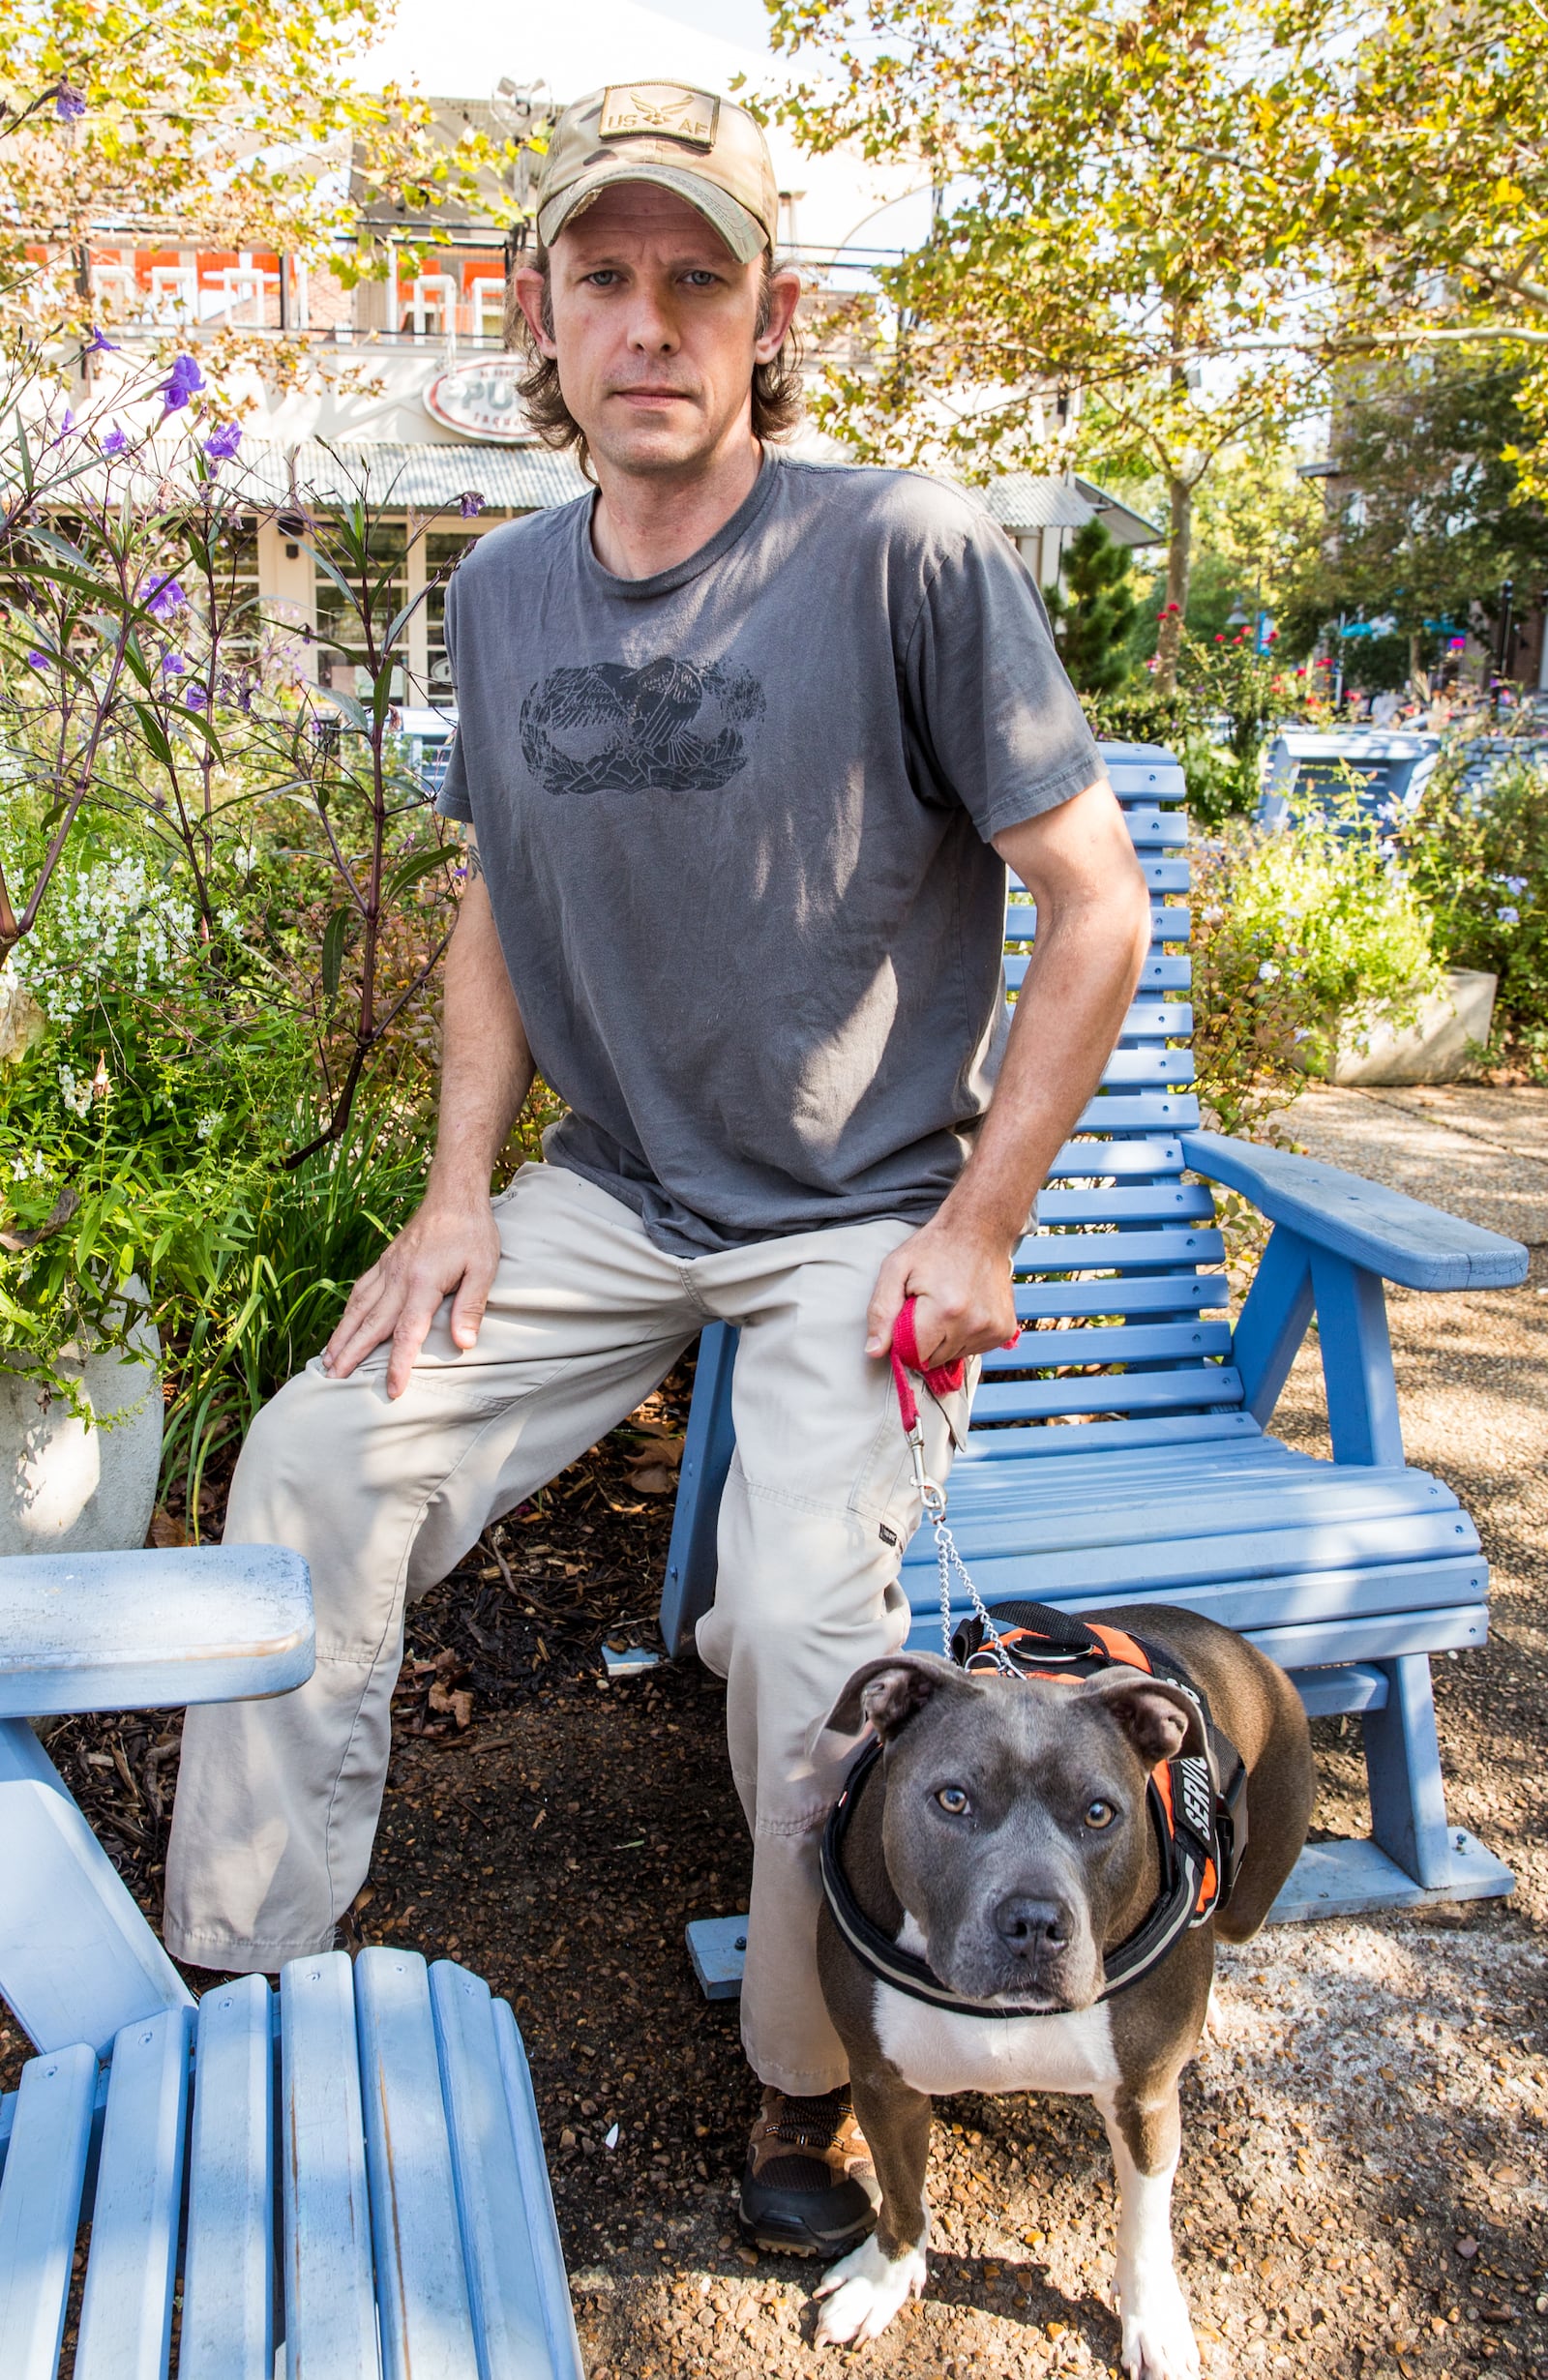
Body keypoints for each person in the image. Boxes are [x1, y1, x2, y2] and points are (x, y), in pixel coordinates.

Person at [164, 81, 1150, 2258]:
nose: (646, 320)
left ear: (767, 313)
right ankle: (233, 1983)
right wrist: (451, 1197)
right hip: (611, 1195)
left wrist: (977, 1228)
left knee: (801, 1626)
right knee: (314, 1458)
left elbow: (1095, 904)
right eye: (600, 278)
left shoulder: (900, 549)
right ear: (536, 313)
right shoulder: (506, 590)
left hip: (855, 1218)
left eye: (693, 277)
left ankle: (808, 2081)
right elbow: (499, 904)